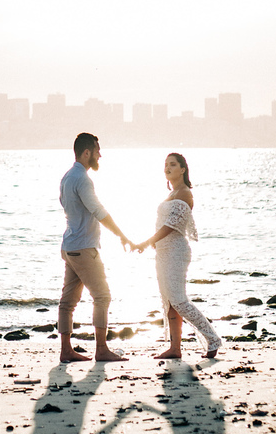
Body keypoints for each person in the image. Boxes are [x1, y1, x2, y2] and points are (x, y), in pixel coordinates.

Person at [134, 152, 222, 359]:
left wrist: (148, 241)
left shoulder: (184, 193)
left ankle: (212, 338)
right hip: (163, 253)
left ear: (183, 169)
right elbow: (164, 225)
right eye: (166, 165)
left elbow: (171, 226)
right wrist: (156, 244)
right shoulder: (171, 195)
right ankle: (175, 348)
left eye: (172, 164)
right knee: (169, 302)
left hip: (176, 252)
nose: (168, 168)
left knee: (179, 300)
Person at [58, 132, 133, 363]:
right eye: (97, 150)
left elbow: (67, 207)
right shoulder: (83, 179)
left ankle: (66, 351)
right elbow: (98, 211)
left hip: (69, 247)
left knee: (67, 301)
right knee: (102, 296)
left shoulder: (67, 177)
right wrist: (122, 235)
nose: (100, 154)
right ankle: (101, 350)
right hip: (84, 248)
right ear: (87, 152)